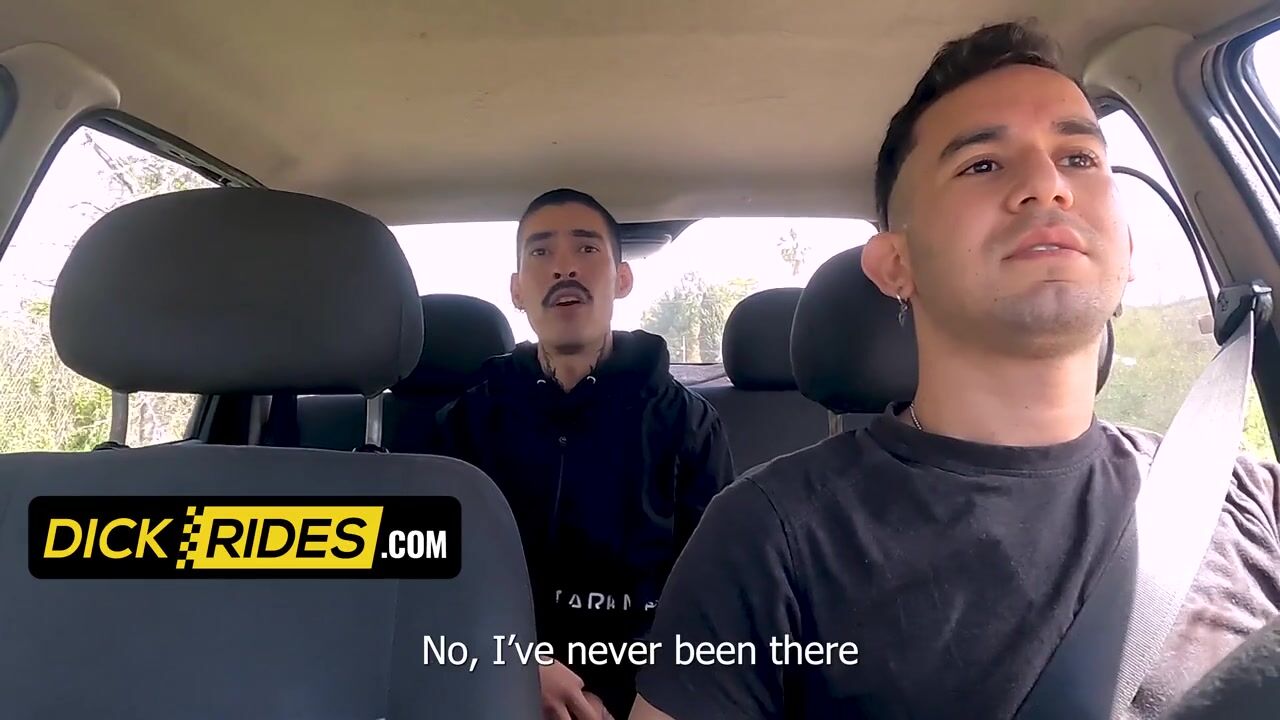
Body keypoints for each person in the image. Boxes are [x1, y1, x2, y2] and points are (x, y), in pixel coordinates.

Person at [629, 22, 1280, 720]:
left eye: (1080, 157)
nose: (1047, 185)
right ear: (895, 265)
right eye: (982, 165)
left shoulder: (1253, 501)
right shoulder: (766, 537)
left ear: (1125, 244)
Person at [434, 188, 735, 719]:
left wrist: (625, 700)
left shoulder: (687, 425)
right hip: (488, 681)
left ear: (622, 278)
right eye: (541, 252)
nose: (564, 267)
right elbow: (432, 578)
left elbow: (714, 597)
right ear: (517, 290)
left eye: (587, 249)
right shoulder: (464, 425)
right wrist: (516, 663)